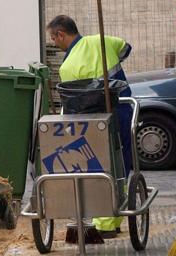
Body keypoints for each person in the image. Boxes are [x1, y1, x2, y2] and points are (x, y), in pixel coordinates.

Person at [47, 15, 133, 239]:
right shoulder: (104, 41)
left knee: (97, 165)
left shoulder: (68, 67)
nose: (54, 43)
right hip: (121, 111)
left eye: (53, 38)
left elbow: (73, 104)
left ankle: (103, 222)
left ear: (61, 34)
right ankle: (115, 219)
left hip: (93, 123)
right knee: (120, 164)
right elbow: (126, 49)